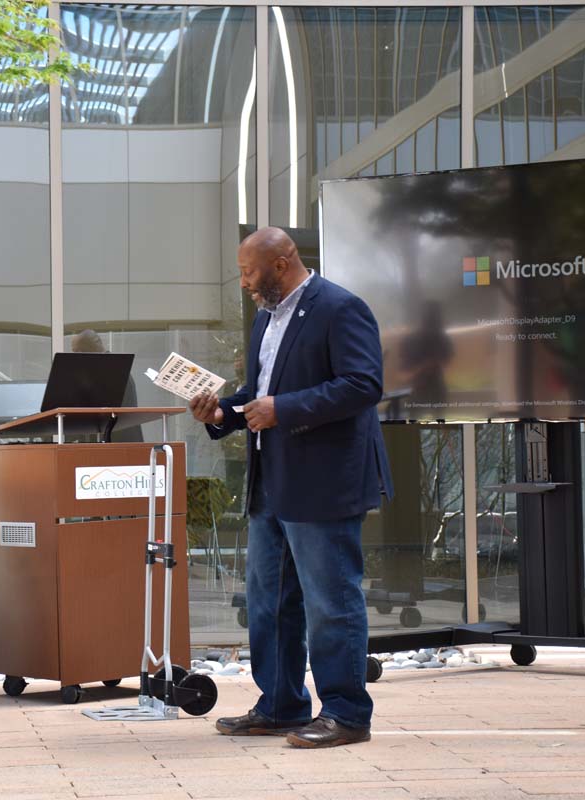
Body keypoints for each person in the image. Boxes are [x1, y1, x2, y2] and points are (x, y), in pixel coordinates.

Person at [189, 228, 392, 748]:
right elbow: (259, 395)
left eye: (249, 270)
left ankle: (346, 714)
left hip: (325, 483)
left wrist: (285, 409)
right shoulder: (265, 319)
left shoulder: (340, 308)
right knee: (268, 603)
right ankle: (281, 706)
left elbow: (364, 383)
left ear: (282, 263)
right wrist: (222, 412)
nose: (244, 281)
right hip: (272, 483)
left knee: (330, 602)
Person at [70, 328, 142, 442]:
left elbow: (101, 413)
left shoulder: (109, 371)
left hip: (118, 446)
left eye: (75, 352)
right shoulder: (115, 367)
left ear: (80, 352)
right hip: (120, 443)